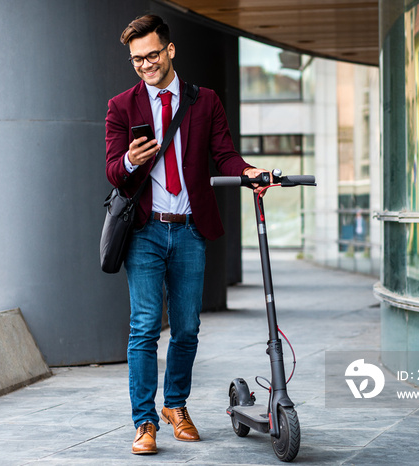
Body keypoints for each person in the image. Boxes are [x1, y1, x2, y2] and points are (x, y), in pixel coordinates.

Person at [105, 14, 268, 455]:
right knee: (143, 328)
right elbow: (113, 172)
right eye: (137, 58)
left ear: (170, 50)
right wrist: (132, 161)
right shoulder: (122, 106)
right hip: (144, 232)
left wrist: (250, 172)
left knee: (188, 329)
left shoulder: (204, 100)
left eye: (152, 54)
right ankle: (144, 421)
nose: (145, 64)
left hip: (190, 231)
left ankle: (175, 406)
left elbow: (225, 155)